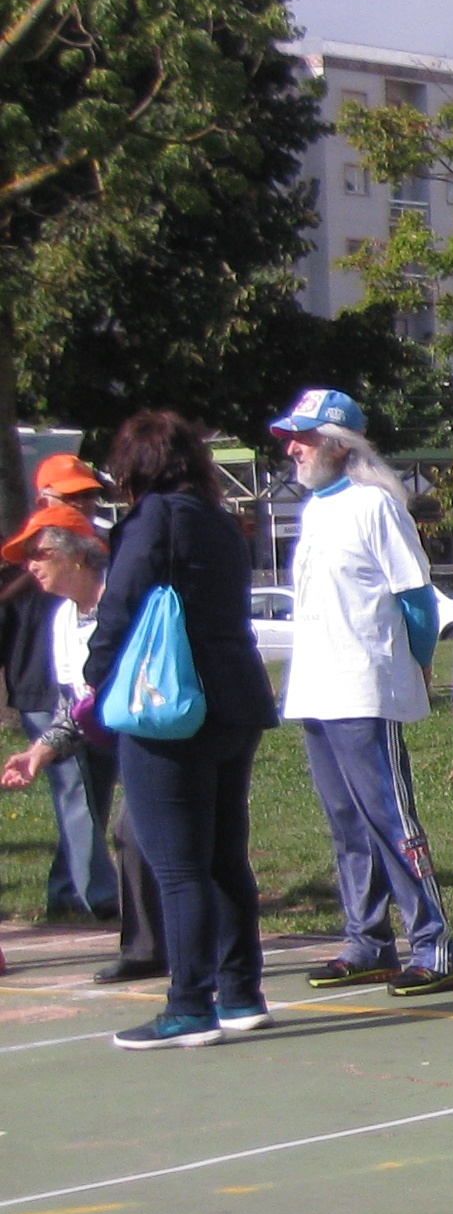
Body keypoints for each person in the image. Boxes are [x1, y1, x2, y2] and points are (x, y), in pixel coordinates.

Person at [36, 413, 276, 1046]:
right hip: (236, 695)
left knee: (177, 864)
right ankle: (241, 990)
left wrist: (97, 670)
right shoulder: (220, 521)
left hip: (169, 702)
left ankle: (190, 1005)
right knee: (225, 855)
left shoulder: (152, 520)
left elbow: (121, 604)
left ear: (133, 465)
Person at [269, 390, 453, 996]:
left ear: (336, 442)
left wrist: (422, 663)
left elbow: (415, 598)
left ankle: (434, 944)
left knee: (389, 817)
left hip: (363, 687)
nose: (292, 449)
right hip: (317, 690)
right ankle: (367, 939)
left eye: (301, 437)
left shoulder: (375, 506)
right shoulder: (314, 509)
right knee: (346, 822)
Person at [6, 521, 116, 924]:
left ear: (79, 556)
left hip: (162, 736)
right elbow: (76, 703)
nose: (31, 566)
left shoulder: (124, 600)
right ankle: (153, 944)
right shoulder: (63, 619)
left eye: (40, 554)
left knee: (147, 840)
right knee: (135, 838)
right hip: (121, 737)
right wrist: (38, 752)